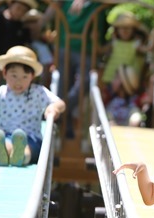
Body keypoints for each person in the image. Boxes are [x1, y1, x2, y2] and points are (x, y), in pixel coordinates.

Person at [41, 0, 106, 138]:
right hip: (65, 47)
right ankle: (66, 127)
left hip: (86, 50)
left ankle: (59, 110)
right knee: (62, 85)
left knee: (85, 82)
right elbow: (52, 9)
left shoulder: (97, 4)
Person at [0, 0, 37, 76]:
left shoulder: (23, 26)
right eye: (18, 8)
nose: (20, 12)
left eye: (24, 11)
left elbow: (26, 46)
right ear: (11, 4)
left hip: (16, 65)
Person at [101, 11, 149, 90]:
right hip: (111, 77)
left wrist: (143, 28)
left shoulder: (136, 44)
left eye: (128, 28)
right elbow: (101, 51)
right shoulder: (114, 42)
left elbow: (148, 48)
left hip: (128, 78)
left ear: (133, 30)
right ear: (117, 30)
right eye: (122, 28)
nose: (124, 31)